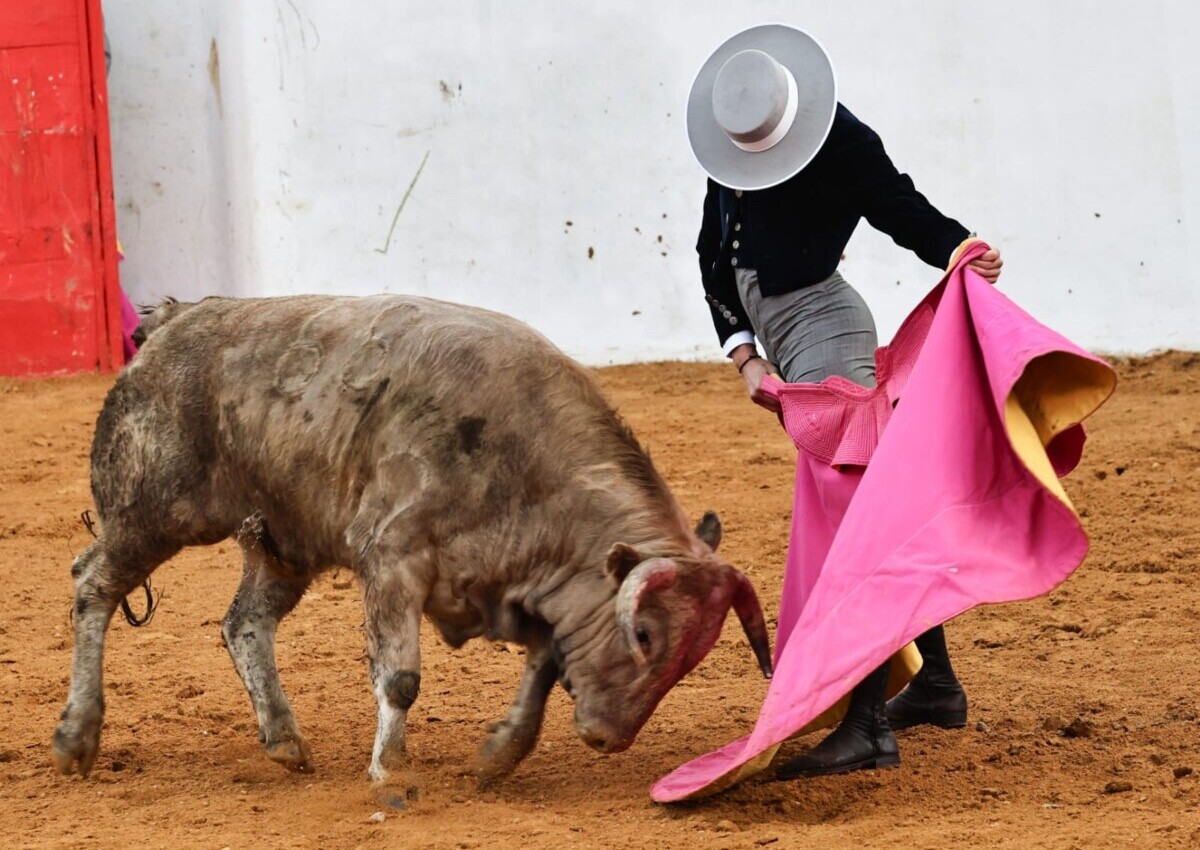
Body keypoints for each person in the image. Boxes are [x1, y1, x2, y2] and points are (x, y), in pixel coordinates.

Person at [686, 24, 1002, 778]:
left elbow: (897, 204)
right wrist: (742, 356)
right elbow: (711, 253)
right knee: (871, 508)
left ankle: (865, 726)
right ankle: (935, 682)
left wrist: (958, 247)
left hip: (828, 333)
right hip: (786, 343)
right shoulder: (736, 135)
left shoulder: (841, 137)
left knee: (847, 525)